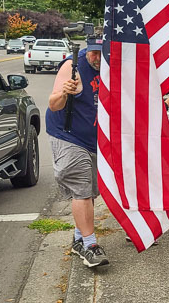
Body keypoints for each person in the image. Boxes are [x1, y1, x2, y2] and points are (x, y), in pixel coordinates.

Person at [46, 37, 108, 268]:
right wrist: (65, 92)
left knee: (90, 191)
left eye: (102, 53)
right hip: (67, 135)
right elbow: (53, 104)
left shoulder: (112, 66)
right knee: (81, 188)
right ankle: (90, 245)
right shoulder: (73, 66)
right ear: (87, 50)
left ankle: (79, 237)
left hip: (93, 138)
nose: (97, 58)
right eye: (94, 53)